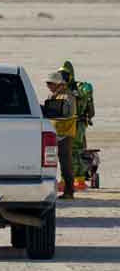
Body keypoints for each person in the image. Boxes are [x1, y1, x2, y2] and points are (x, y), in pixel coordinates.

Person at [59, 60, 94, 189]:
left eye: (65, 75)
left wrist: (76, 93)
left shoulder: (81, 87)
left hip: (78, 123)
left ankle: (79, 179)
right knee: (64, 152)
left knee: (76, 151)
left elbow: (87, 90)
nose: (63, 77)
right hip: (64, 123)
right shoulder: (60, 88)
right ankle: (65, 179)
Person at [46, 71, 77, 200]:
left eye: (51, 84)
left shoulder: (68, 96)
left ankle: (69, 192)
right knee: (49, 162)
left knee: (65, 164)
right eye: (48, 84)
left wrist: (52, 109)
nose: (49, 86)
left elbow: (66, 113)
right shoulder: (52, 95)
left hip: (65, 134)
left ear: (59, 84)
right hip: (54, 133)